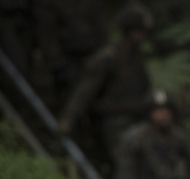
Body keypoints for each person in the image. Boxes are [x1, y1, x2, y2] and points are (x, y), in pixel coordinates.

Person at [57, 4, 153, 165]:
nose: (141, 36)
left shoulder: (138, 59)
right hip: (113, 121)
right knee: (125, 162)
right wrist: (69, 118)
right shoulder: (108, 58)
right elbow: (85, 90)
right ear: (128, 31)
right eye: (138, 31)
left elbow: (145, 89)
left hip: (136, 118)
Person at [32, 0, 108, 108]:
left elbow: (100, 26)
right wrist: (56, 62)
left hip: (91, 53)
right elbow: (47, 32)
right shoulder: (50, 4)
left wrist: (101, 54)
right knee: (70, 94)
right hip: (67, 58)